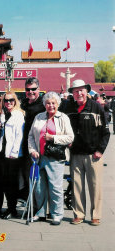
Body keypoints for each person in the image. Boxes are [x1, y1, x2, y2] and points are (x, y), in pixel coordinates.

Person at [64, 80, 110, 226]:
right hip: (76, 154)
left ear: (87, 91)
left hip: (93, 155)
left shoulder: (95, 107)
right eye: (76, 91)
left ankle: (95, 215)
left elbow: (106, 132)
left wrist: (100, 150)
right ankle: (78, 214)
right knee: (77, 186)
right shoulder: (69, 107)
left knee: (95, 186)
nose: (79, 93)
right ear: (72, 93)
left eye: (81, 90)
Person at [28, 92, 74, 225]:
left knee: (55, 187)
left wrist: (53, 137)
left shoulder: (63, 118)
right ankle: (40, 213)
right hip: (39, 157)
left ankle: (56, 214)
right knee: (39, 187)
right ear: (44, 104)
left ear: (58, 104)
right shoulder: (39, 117)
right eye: (48, 103)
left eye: (53, 103)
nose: (51, 105)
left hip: (55, 158)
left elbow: (70, 137)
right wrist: (32, 150)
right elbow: (31, 136)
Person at [0, 91, 25, 219]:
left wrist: (14, 152)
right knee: (4, 182)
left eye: (11, 100)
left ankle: (12, 208)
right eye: (6, 100)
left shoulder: (19, 115)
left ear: (15, 101)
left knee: (12, 182)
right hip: (1, 151)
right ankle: (9, 208)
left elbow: (19, 135)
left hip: (13, 154)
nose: (8, 103)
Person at [20, 77, 45, 201]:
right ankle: (28, 202)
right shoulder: (23, 104)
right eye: (28, 89)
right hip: (23, 146)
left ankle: (38, 207)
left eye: (33, 89)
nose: (30, 92)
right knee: (25, 176)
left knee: (37, 179)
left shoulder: (43, 105)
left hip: (37, 147)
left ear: (39, 89)